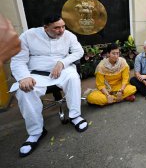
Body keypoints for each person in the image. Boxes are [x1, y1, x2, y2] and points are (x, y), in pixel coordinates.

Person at [10, 15, 88, 157]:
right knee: (24, 91)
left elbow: (79, 51)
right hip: (36, 74)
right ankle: (36, 132)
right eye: (57, 28)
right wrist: (24, 77)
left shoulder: (68, 35)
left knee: (73, 78)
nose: (61, 30)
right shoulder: (28, 36)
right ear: (45, 27)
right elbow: (18, 60)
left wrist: (63, 62)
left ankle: (75, 116)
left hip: (62, 70)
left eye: (63, 26)